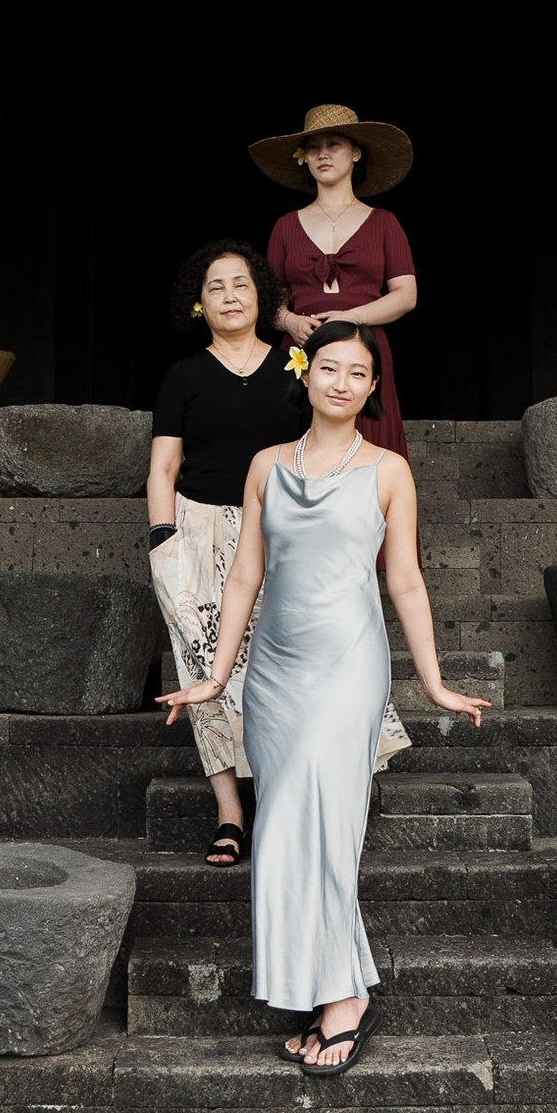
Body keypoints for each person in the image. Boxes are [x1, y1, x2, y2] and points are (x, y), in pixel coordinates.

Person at [156, 321, 489, 1074]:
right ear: (305, 375)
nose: (342, 382)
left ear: (373, 389)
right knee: (286, 832)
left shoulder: (389, 471)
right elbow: (245, 575)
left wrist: (432, 681)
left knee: (328, 832)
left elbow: (404, 580)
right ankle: (335, 987)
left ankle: (344, 1001)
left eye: (358, 373)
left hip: (348, 667)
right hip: (274, 674)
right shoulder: (266, 465)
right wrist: (216, 676)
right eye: (329, 368)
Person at [145, 240, 412, 870]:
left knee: (283, 668)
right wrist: (164, 541)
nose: (230, 296)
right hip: (198, 531)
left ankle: (289, 797)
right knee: (205, 669)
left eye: (241, 283)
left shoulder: (298, 367)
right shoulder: (184, 375)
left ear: (262, 295)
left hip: (283, 533)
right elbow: (163, 467)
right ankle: (230, 814)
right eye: (215, 287)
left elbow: (324, 450)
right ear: (199, 303)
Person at [249, 103, 417, 462]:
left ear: (356, 153)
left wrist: (351, 318)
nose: (322, 154)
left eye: (334, 144)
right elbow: (268, 299)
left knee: (370, 447)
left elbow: (406, 295)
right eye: (313, 147)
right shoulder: (285, 226)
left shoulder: (384, 222)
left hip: (364, 345)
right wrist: (289, 321)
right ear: (304, 158)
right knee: (295, 446)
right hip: (302, 350)